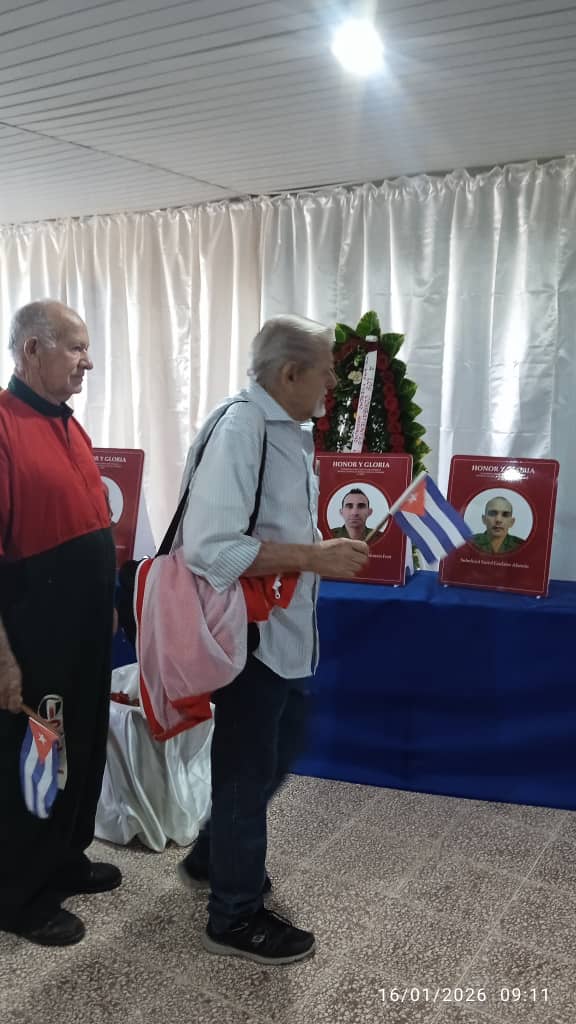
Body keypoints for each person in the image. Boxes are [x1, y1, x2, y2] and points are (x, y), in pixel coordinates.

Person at [176, 315, 369, 965]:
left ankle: (211, 854)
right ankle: (233, 916)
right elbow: (212, 548)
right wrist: (314, 558)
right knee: (246, 767)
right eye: (326, 368)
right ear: (290, 374)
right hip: (247, 636)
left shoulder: (282, 428)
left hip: (275, 631)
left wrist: (310, 557)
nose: (333, 381)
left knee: (283, 743)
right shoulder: (244, 428)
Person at [0, 300, 120, 948]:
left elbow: (86, 526)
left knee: (86, 746)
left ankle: (65, 859)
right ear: (31, 351)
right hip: (34, 638)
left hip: (83, 632)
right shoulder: (2, 424)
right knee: (36, 760)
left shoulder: (69, 426)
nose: (88, 361)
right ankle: (19, 892)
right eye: (75, 348)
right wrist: (4, 660)